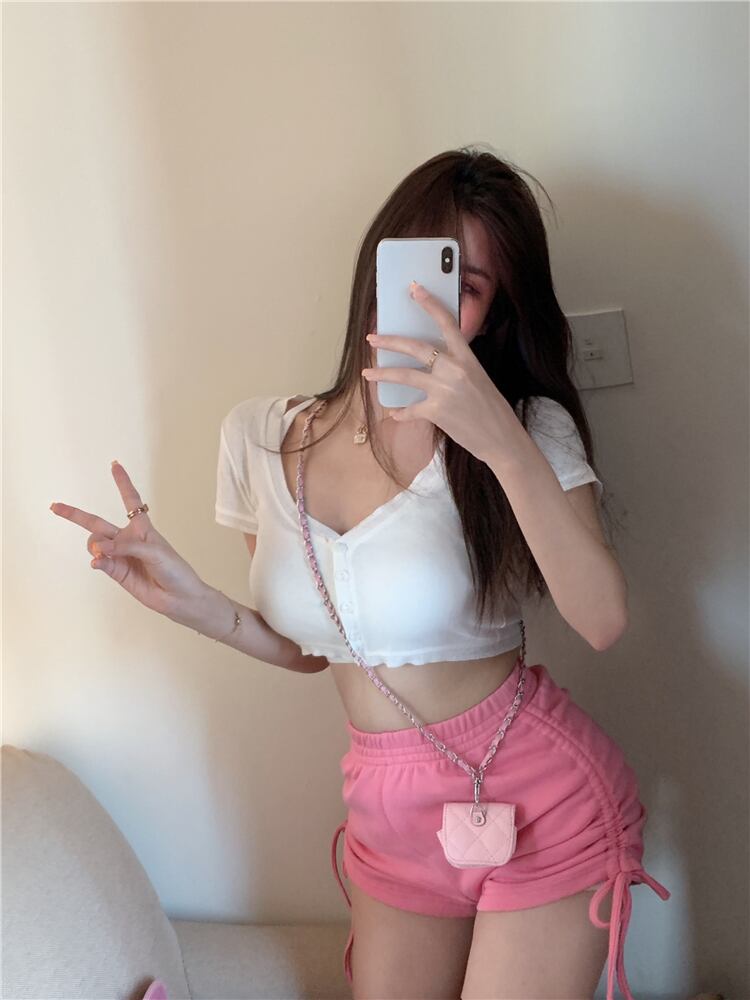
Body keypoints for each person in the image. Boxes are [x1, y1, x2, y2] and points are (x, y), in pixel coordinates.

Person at [51, 146, 670, 1000]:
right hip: (386, 811)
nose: (427, 300)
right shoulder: (261, 436)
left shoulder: (529, 428)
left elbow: (601, 619)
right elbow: (315, 651)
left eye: (465, 284)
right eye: (412, 264)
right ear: (375, 264)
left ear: (493, 313)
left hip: (538, 791)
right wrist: (192, 601)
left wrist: (495, 435)